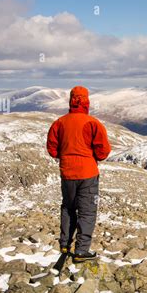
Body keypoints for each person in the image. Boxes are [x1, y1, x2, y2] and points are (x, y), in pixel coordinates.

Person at [46, 86, 111, 263]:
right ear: (86, 102)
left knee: (68, 207)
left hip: (67, 173)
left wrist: (65, 155)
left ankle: (65, 245)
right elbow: (103, 152)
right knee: (87, 212)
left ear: (70, 101)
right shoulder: (93, 123)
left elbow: (52, 149)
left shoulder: (59, 122)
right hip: (88, 173)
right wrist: (90, 156)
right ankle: (81, 251)